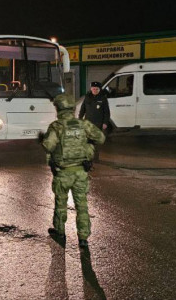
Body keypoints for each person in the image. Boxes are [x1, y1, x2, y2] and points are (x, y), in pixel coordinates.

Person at [40, 94, 105, 248]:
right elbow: (101, 138)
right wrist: (87, 144)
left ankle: (60, 232)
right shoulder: (84, 125)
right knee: (82, 205)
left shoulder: (56, 126)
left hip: (63, 173)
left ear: (58, 109)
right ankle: (83, 238)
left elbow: (48, 146)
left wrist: (43, 139)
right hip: (81, 172)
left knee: (61, 204)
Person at [79, 81, 110, 161]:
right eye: (93, 89)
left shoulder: (103, 98)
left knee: (96, 141)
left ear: (99, 89)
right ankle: (88, 157)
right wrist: (80, 119)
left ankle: (95, 158)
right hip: (88, 123)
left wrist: (105, 122)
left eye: (97, 89)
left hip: (98, 123)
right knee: (87, 140)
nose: (95, 90)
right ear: (91, 88)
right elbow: (83, 109)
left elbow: (107, 112)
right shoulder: (87, 96)